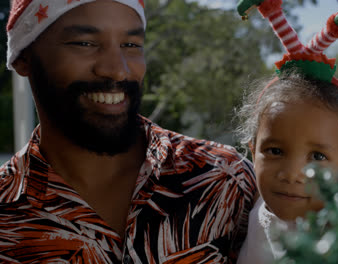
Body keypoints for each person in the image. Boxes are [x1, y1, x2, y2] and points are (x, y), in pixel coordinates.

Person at [0, 1, 256, 263]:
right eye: (85, 43)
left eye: (131, 45)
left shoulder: (226, 179)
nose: (117, 68)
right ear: (23, 56)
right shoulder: (5, 216)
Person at [233, 2, 338, 262]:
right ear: (252, 150)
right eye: (275, 151)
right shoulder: (252, 201)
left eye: (317, 156)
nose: (291, 173)